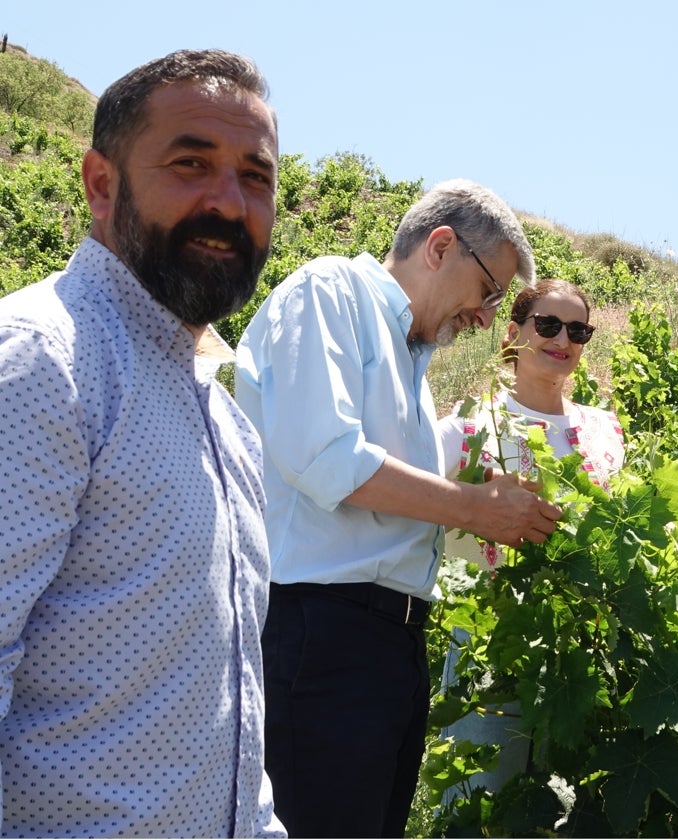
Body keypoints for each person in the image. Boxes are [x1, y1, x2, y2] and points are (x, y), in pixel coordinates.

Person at [0, 50, 282, 836]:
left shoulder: (227, 429)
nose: (228, 203)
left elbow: (230, 722)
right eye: (191, 163)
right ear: (101, 185)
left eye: (255, 177)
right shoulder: (42, 362)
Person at [235, 178, 563, 837]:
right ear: (441, 246)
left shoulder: (409, 356)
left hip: (385, 647)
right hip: (320, 637)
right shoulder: (330, 292)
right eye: (489, 291)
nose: (486, 317)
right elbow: (328, 457)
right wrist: (471, 508)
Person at [437, 278, 625, 796]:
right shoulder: (470, 425)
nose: (562, 339)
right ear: (512, 333)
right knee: (480, 795)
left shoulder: (605, 429)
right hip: (494, 635)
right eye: (547, 325)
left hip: (582, 645)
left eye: (578, 330)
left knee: (563, 805)